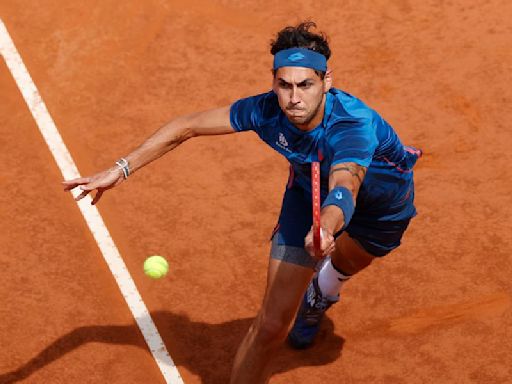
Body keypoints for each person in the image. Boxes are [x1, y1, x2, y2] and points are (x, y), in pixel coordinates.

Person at [63, 21, 421, 384]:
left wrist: (326, 227)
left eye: (305, 85)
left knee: (347, 262)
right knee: (269, 326)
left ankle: (323, 290)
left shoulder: (352, 126)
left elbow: (345, 185)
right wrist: (119, 170)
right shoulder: (266, 111)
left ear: (327, 81)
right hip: (304, 195)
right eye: (284, 85)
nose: (294, 98)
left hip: (383, 205)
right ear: (274, 82)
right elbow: (187, 126)